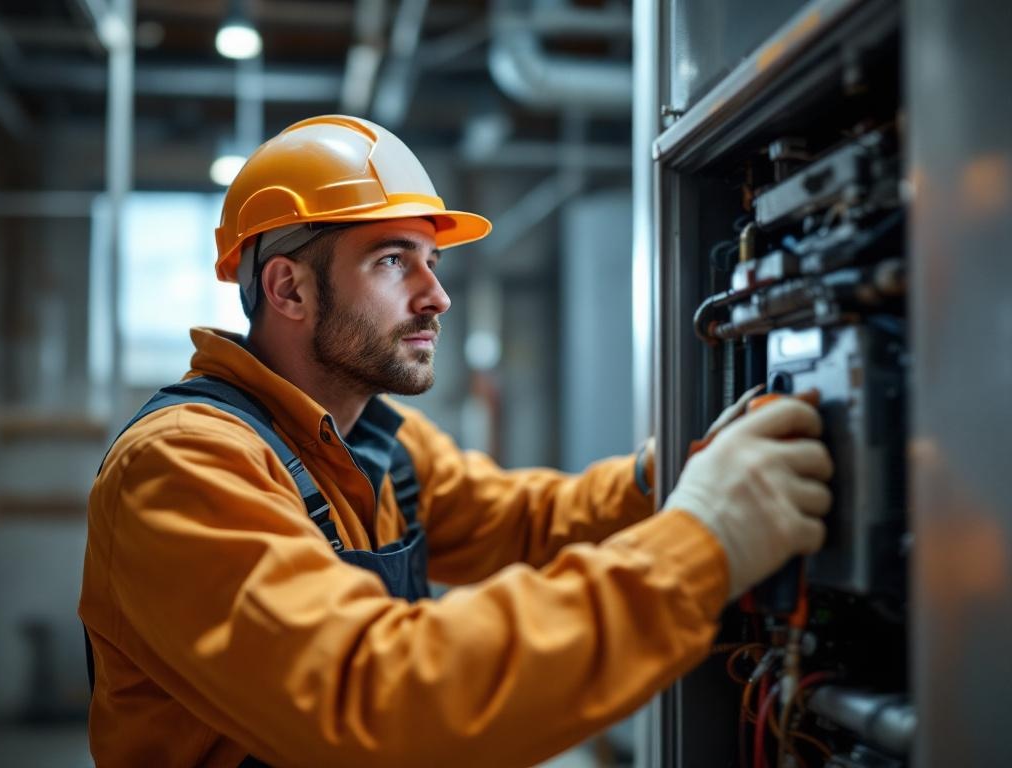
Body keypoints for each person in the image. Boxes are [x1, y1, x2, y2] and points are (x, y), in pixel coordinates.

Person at [78, 115, 833, 768]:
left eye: (431, 262)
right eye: (392, 260)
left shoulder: (379, 444)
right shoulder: (182, 466)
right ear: (289, 290)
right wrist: (700, 547)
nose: (436, 294)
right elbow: (376, 697)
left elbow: (529, 521)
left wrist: (667, 474)